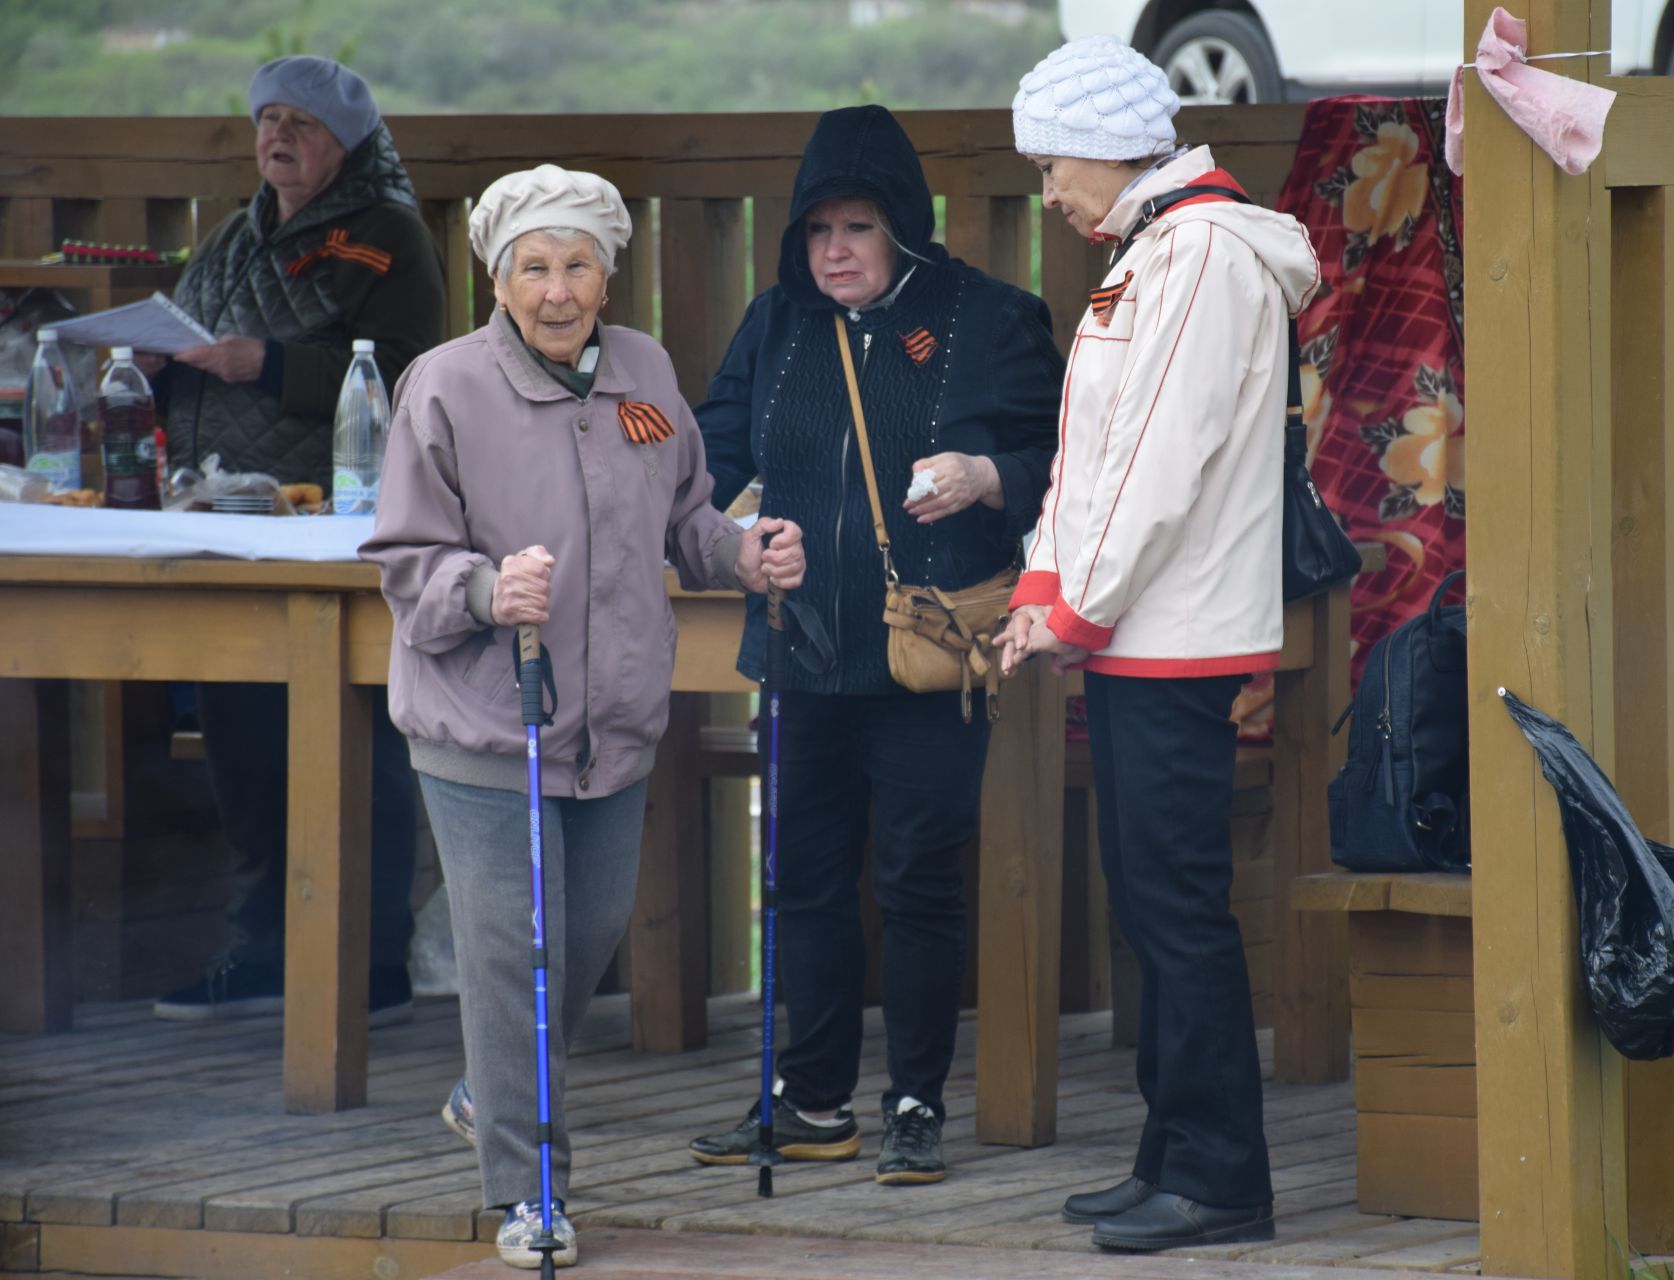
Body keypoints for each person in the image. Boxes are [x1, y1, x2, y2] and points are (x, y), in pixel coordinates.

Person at [362, 164, 805, 1271]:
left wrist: (743, 556)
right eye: (533, 269)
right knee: (521, 952)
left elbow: (688, 516)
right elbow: (405, 559)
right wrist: (479, 589)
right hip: (483, 720)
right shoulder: (445, 386)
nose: (557, 291)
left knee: (587, 934)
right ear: (497, 280)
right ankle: (530, 1188)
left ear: (607, 272)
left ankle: (490, 1086)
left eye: (576, 266)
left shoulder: (645, 373)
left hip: (613, 722)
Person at [685, 105, 1064, 1186]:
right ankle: (811, 1101)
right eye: (817, 230)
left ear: (904, 224)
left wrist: (989, 477)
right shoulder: (776, 323)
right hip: (802, 648)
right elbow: (708, 455)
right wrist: (735, 540)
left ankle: (913, 1100)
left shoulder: (987, 318)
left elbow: (1067, 453)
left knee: (915, 880)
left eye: (857, 226)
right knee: (802, 877)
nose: (835, 250)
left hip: (929, 653)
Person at [996, 36, 1321, 1252]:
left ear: (1107, 143)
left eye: (1050, 165)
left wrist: (1075, 604)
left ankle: (1225, 1176)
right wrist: (1046, 574)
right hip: (1136, 625)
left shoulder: (1196, 255)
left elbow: (1155, 465)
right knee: (1149, 899)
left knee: (1176, 907)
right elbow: (1091, 461)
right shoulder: (1154, 250)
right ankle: (1170, 1151)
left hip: (1172, 630)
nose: (1046, 192)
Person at [152, 56, 446, 1025]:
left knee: (360, 744)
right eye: (266, 120)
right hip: (224, 524)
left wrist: (261, 361)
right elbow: (188, 334)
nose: (277, 137)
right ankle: (262, 948)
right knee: (239, 735)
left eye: (301, 124)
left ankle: (371, 962)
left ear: (347, 142)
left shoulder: (383, 237)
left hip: (334, 526)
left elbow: (408, 377)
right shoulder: (236, 236)